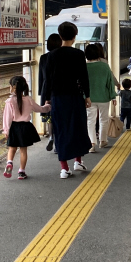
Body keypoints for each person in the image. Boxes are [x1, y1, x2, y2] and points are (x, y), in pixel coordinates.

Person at [41, 22, 91, 179]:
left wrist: (47, 99)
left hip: (57, 98)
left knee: (61, 129)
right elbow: (84, 77)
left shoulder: (52, 56)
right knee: (77, 127)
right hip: (75, 97)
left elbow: (47, 80)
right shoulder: (78, 55)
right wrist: (87, 96)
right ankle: (78, 161)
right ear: (75, 36)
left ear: (60, 35)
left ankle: (64, 168)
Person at [1, 76, 50, 180]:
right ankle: (21, 172)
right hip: (25, 127)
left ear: (12, 88)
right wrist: (48, 106)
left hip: (14, 127)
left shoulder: (9, 101)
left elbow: (7, 118)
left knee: (12, 148)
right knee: (23, 150)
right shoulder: (28, 100)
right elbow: (39, 109)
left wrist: (6, 130)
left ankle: (9, 163)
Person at [86, 43, 118, 152]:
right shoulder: (104, 66)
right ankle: (103, 141)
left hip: (89, 98)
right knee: (103, 119)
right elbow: (110, 83)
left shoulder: (84, 67)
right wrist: (113, 97)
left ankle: (92, 144)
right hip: (104, 97)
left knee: (90, 120)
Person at [38, 33, 61, 152]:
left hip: (46, 89)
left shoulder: (43, 57)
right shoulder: (61, 57)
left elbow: (41, 77)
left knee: (49, 116)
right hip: (59, 89)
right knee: (58, 116)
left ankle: (51, 136)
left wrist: (41, 92)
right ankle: (58, 143)